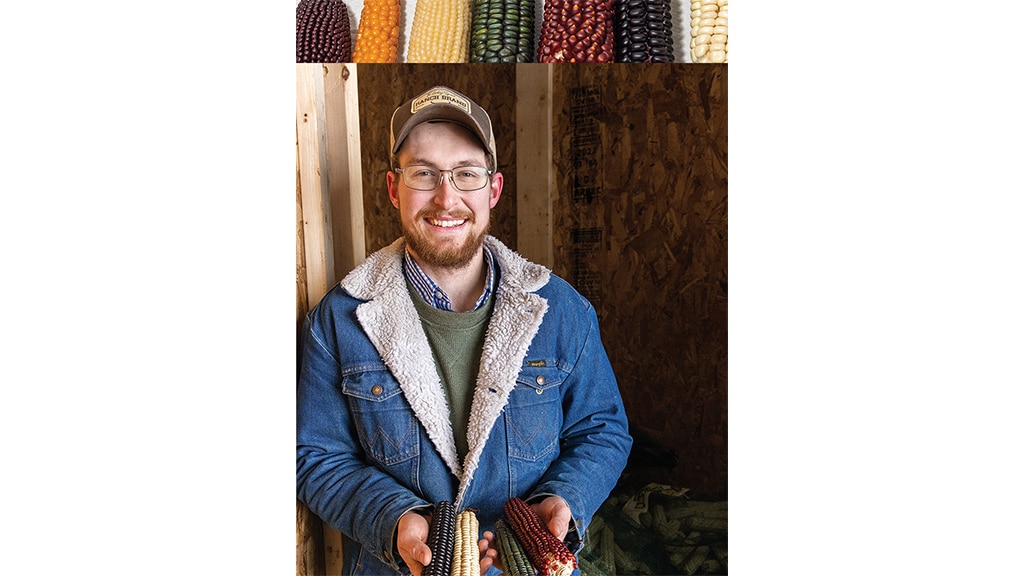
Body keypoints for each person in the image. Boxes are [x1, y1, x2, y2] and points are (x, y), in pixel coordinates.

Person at [296, 85, 632, 576]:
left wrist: (564, 498)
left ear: (493, 189)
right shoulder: (340, 318)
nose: (446, 197)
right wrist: (395, 520)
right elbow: (316, 456)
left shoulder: (561, 310)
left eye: (466, 174)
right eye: (424, 173)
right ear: (394, 188)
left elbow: (602, 430)